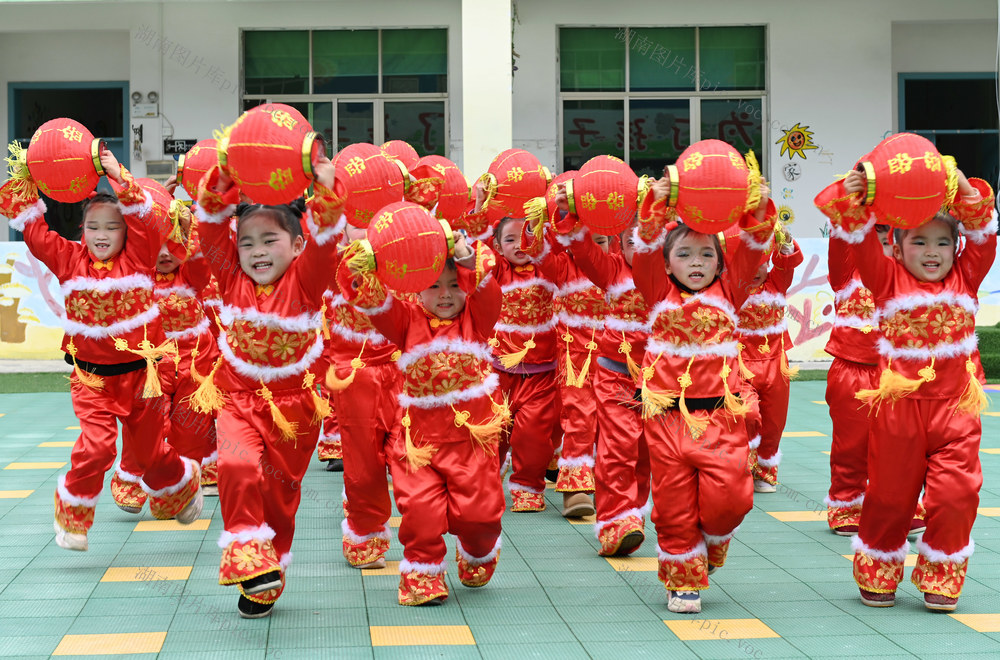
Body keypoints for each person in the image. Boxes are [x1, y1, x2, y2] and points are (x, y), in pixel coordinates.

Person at [0, 147, 203, 552]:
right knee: (96, 447)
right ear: (82, 230)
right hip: (91, 380)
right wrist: (29, 177)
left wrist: (117, 175)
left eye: (112, 227)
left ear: (128, 233)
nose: (102, 235)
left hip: (142, 379)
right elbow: (35, 232)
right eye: (93, 227)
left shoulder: (141, 257)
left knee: (149, 455)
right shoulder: (68, 259)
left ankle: (181, 485)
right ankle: (73, 518)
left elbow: (144, 217)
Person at [817, 167, 995, 611]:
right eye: (919, 241)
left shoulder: (966, 277)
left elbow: (983, 233)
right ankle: (878, 570)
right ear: (895, 248)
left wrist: (962, 186)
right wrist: (856, 196)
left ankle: (942, 576)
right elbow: (858, 237)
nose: (932, 252)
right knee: (890, 498)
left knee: (957, 495)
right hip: (898, 411)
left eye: (942, 242)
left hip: (956, 409)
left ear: (957, 248)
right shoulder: (886, 280)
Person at [193, 158, 344, 619]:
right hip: (237, 398)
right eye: (246, 242)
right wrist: (223, 177)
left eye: (269, 240)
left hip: (296, 409)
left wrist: (326, 191)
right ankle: (248, 559)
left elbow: (327, 241)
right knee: (236, 466)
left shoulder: (307, 279)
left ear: (297, 245)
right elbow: (209, 230)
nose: (256, 251)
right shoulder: (230, 276)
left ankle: (268, 571)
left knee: (280, 498)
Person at [632, 176, 776, 614]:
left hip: (721, 419)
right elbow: (643, 251)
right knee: (673, 505)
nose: (696, 261)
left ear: (720, 264)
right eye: (684, 254)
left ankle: (712, 540)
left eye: (707, 254)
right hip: (666, 419)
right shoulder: (656, 291)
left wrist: (756, 208)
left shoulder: (731, 292)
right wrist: (655, 207)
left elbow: (753, 247)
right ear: (666, 264)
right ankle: (683, 580)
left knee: (733, 498)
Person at [345, 231, 506, 606]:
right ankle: (423, 575)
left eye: (454, 285)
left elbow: (488, 290)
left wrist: (463, 253)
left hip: (472, 444)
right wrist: (365, 267)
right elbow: (375, 302)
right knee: (420, 512)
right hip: (418, 444)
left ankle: (477, 551)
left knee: (480, 517)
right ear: (416, 290)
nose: (445, 294)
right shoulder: (405, 321)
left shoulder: (478, 318)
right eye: (433, 286)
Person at [540, 207, 654, 556]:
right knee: (605, 438)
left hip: (659, 380)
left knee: (645, 453)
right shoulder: (610, 269)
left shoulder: (675, 278)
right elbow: (583, 250)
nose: (640, 249)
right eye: (632, 242)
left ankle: (632, 514)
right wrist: (568, 214)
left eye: (649, 242)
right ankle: (605, 511)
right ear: (622, 244)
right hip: (606, 369)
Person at [323, 222, 400, 570]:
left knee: (412, 462)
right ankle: (366, 536)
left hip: (407, 371)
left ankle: (427, 542)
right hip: (355, 378)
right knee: (365, 466)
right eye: (357, 221)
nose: (367, 228)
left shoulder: (406, 258)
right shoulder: (332, 264)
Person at [518, 214, 607, 518]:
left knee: (612, 424)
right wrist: (534, 225)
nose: (593, 251)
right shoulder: (565, 266)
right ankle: (575, 488)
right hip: (575, 359)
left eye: (601, 242)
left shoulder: (617, 268)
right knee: (579, 417)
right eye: (586, 243)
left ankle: (608, 487)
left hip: (617, 360)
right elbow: (538, 252)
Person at [733, 228, 804, 492]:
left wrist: (785, 240)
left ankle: (764, 473)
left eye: (761, 264)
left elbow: (787, 262)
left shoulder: (776, 283)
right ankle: (743, 466)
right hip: (741, 364)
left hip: (776, 364)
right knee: (748, 414)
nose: (755, 270)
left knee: (774, 422)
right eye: (749, 264)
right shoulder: (731, 288)